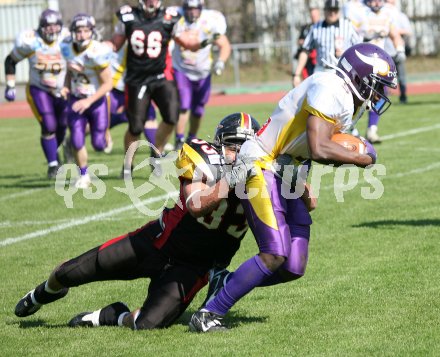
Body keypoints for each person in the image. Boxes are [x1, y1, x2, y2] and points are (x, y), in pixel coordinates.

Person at [189, 43, 397, 332]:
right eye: (378, 85)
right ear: (359, 76)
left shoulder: (345, 98)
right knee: (274, 253)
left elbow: (313, 149)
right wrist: (360, 157)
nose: (380, 94)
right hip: (261, 162)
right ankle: (208, 313)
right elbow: (319, 146)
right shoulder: (331, 89)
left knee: (293, 265)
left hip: (287, 169)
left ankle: (225, 281)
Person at [13, 113, 262, 330]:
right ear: (218, 145)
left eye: (245, 148)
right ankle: (42, 292)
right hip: (156, 243)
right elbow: (196, 205)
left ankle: (111, 315)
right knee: (70, 272)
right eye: (233, 146)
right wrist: (231, 179)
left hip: (193, 267)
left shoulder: (265, 177)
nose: (238, 154)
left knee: (147, 324)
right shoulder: (203, 160)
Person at [111, 0, 211, 178]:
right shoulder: (128, 16)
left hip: (161, 76)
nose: (152, 2)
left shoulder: (169, 18)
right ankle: (128, 164)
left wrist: (204, 42)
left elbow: (186, 42)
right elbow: (114, 44)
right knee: (135, 127)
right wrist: (92, 47)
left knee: (172, 117)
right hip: (137, 79)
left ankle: (156, 155)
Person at [3, 9, 69, 179]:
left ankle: (56, 152)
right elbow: (11, 60)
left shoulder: (67, 41)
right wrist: (10, 85)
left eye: (55, 26)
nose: (52, 30)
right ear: (41, 27)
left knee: (62, 124)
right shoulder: (31, 42)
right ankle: (53, 165)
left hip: (62, 90)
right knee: (49, 125)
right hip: (39, 89)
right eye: (48, 26)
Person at [60, 14, 113, 189]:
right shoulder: (67, 47)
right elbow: (70, 72)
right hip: (76, 99)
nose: (82, 34)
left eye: (85, 31)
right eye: (79, 31)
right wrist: (66, 86)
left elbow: (108, 84)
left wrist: (89, 101)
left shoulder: (97, 51)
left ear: (92, 32)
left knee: (98, 145)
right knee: (76, 140)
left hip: (96, 101)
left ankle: (105, 135)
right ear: (73, 32)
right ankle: (84, 175)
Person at [172, 0, 231, 150]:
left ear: (201, 8)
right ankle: (179, 139)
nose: (192, 12)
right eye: (189, 9)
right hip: (182, 69)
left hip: (203, 71)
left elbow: (224, 44)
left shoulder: (210, 20)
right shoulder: (177, 19)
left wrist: (221, 62)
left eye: (195, 8)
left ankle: (191, 137)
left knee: (198, 110)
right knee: (184, 106)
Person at [355, 0, 406, 143]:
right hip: (359, 60)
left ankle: (372, 129)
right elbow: (350, 32)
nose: (376, 2)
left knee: (380, 96)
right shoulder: (358, 11)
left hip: (378, 63)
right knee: (356, 97)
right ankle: (350, 129)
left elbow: (395, 34)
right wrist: (364, 37)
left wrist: (400, 49)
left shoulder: (387, 13)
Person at [292, 0, 360, 87]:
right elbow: (305, 50)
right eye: (330, 10)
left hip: (343, 71)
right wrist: (297, 75)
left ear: (338, 11)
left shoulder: (348, 26)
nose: (332, 13)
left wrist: (346, 53)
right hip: (322, 71)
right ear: (324, 11)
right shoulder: (316, 27)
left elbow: (358, 49)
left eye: (335, 10)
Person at [106, 42, 158, 154]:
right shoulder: (124, 40)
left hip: (138, 89)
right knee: (100, 125)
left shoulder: (148, 39)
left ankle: (156, 155)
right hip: (117, 89)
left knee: (149, 118)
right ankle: (73, 142)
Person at [385, 0, 412, 104]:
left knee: (401, 76)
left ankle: (403, 96)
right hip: (385, 51)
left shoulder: (400, 16)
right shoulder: (380, 15)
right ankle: (383, 97)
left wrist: (394, 31)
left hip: (397, 51)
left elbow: (408, 31)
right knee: (383, 76)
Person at [292, 3, 321, 82]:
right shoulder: (306, 27)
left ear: (319, 14)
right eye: (312, 16)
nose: (313, 17)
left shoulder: (322, 27)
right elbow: (299, 40)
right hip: (306, 57)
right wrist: (304, 42)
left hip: (317, 59)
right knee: (306, 79)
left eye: (315, 15)